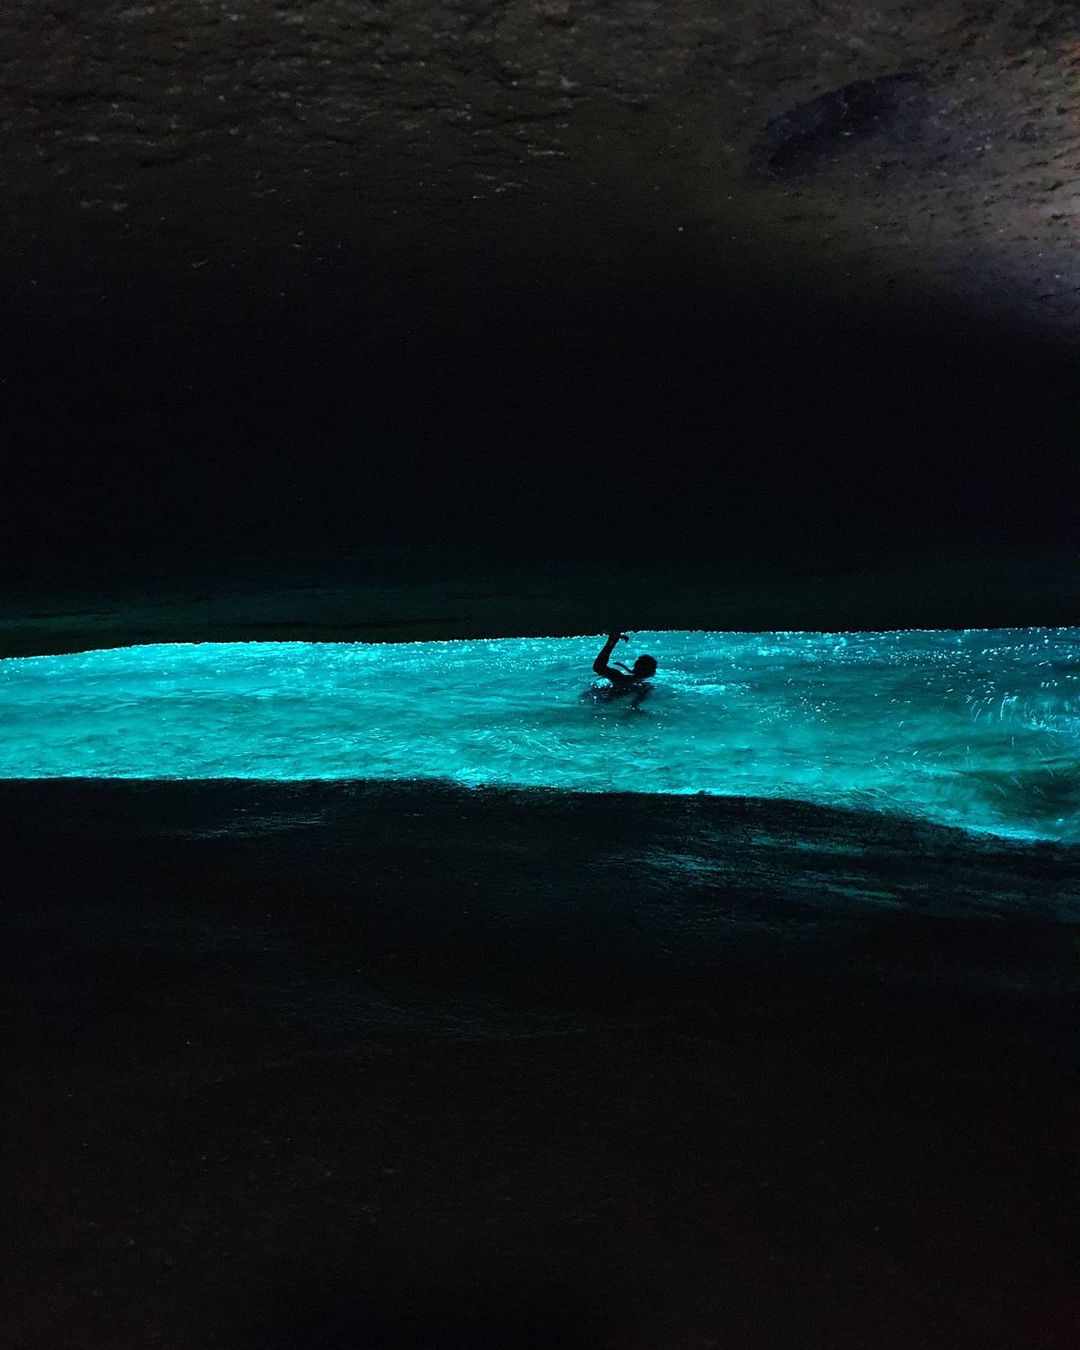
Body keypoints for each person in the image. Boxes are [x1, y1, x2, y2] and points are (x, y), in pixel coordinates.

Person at [592, 631, 657, 707]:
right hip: (603, 702)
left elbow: (598, 667)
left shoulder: (619, 677)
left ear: (634, 667)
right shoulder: (644, 687)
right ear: (652, 673)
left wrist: (611, 643)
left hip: (598, 699)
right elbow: (634, 705)